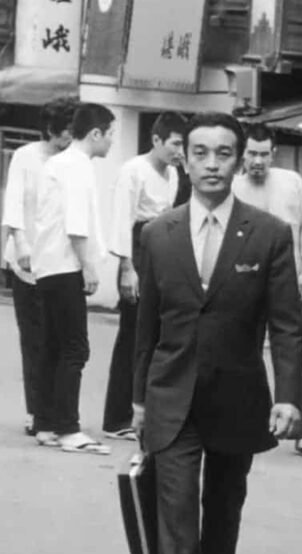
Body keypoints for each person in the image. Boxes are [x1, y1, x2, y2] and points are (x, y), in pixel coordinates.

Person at [132, 113, 302, 554]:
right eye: (200, 153)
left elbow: (286, 325)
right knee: (179, 528)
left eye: (224, 154)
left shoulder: (270, 234)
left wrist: (289, 396)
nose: (212, 164)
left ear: (238, 160)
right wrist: (138, 401)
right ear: (183, 161)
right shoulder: (156, 235)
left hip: (236, 398)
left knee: (223, 519)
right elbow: (147, 326)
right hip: (172, 400)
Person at [233, 123, 302, 460]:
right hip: (243, 281)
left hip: (286, 279)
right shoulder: (233, 186)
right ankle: (246, 425)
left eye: (263, 154)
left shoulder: (292, 182)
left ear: (273, 154)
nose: (257, 161)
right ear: (243, 155)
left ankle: (301, 434)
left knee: (290, 353)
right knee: (243, 353)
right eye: (252, 154)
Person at [31, 103, 116, 455]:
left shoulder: (57, 163)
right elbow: (77, 224)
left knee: (53, 346)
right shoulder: (77, 167)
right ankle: (68, 428)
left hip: (47, 265)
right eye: (110, 134)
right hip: (66, 265)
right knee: (75, 349)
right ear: (95, 134)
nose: (111, 142)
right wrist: (89, 267)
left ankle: (46, 423)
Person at [103, 112, 187, 441]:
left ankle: (143, 410)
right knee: (132, 335)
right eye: (175, 143)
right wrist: (127, 268)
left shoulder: (174, 175)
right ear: (156, 140)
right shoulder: (133, 171)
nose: (180, 151)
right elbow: (123, 220)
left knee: (155, 335)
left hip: (160, 251)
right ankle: (116, 417)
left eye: (183, 144)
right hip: (136, 252)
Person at [1, 97, 77, 437]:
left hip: (59, 263)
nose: (69, 140)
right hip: (27, 261)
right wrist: (21, 246)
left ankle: (54, 411)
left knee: (58, 340)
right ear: (50, 130)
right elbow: (14, 203)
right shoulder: (26, 157)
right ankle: (38, 411)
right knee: (34, 339)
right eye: (66, 133)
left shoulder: (73, 163)